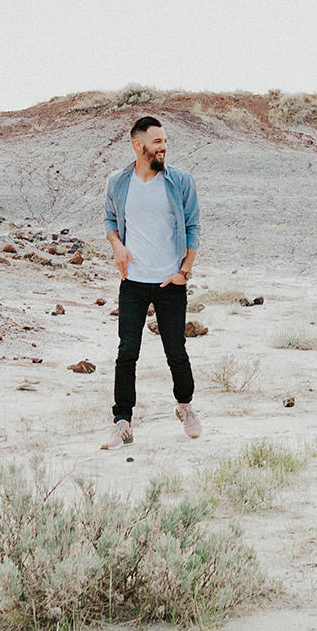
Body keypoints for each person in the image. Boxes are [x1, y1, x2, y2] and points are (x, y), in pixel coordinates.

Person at [102, 115, 203, 449]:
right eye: (157, 142)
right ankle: (122, 422)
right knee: (127, 351)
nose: (164, 147)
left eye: (165, 141)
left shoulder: (180, 181)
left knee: (175, 349)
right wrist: (117, 245)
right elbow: (110, 220)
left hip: (170, 282)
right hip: (133, 281)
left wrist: (184, 271)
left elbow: (193, 227)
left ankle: (185, 406)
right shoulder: (117, 182)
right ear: (138, 144)